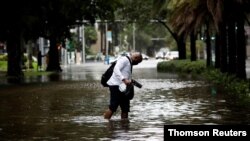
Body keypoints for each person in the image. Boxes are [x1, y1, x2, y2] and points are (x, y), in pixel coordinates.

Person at [103, 52, 143, 120]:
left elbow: (125, 72)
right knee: (113, 107)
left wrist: (129, 80)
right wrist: (124, 79)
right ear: (136, 58)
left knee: (125, 108)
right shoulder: (124, 59)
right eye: (137, 62)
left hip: (123, 87)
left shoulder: (129, 61)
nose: (137, 64)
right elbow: (116, 69)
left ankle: (124, 127)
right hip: (115, 85)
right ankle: (105, 123)